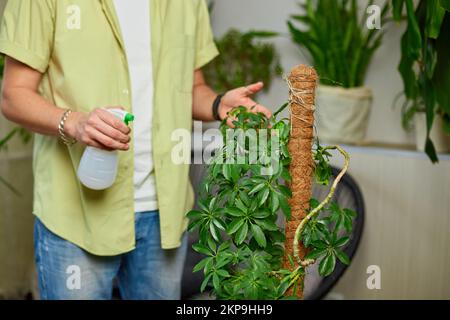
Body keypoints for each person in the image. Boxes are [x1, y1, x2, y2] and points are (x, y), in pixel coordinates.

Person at [0, 0, 271, 300]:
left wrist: (218, 104)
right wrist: (76, 123)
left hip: (164, 214)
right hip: (76, 215)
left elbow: (190, 86)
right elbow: (14, 95)